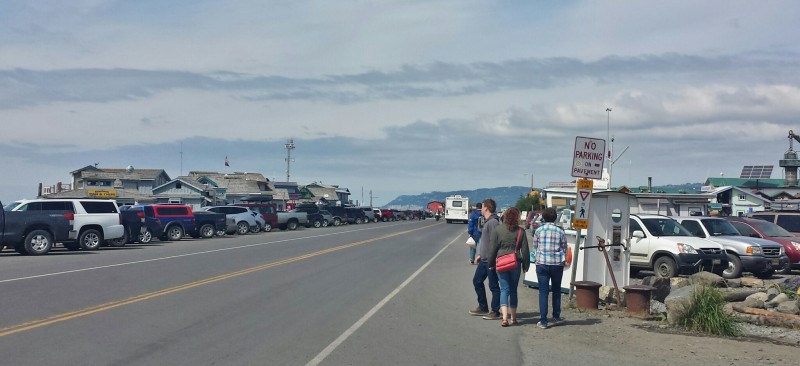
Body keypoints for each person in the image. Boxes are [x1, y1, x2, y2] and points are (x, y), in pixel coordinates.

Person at [487, 207, 530, 327]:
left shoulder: (497, 230)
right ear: (517, 218)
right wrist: (526, 265)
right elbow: (525, 251)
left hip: (501, 262)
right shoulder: (521, 231)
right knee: (513, 290)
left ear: (505, 216)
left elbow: (492, 249)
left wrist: (490, 264)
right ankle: (513, 318)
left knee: (504, 290)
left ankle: (504, 318)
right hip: (515, 263)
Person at [532, 207, 568, 329]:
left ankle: (543, 321)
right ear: (555, 217)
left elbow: (535, 247)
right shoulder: (560, 231)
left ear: (544, 217)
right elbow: (564, 248)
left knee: (543, 292)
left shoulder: (538, 230)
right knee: (556, 290)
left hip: (542, 263)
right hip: (557, 263)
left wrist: (537, 258)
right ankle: (556, 316)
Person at [469, 199, 501, 320]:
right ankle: (483, 307)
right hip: (484, 259)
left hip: (490, 259)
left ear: (486, 208)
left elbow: (495, 242)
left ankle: (495, 311)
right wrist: (479, 255)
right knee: (477, 281)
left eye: (482, 207)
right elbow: (485, 241)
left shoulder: (493, 222)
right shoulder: (487, 221)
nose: (481, 209)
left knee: (493, 286)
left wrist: (492, 258)